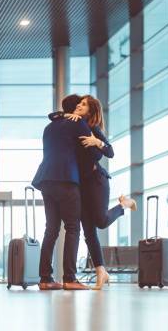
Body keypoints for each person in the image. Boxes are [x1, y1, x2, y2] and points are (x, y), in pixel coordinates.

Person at [49, 94, 137, 290]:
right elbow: (53, 116)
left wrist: (97, 142)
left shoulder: (93, 128)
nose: (80, 106)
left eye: (84, 105)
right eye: (79, 104)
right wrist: (65, 114)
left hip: (97, 181)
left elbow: (110, 152)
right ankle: (101, 271)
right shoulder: (72, 122)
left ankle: (124, 204)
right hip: (79, 185)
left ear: (91, 111)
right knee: (88, 231)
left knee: (101, 222)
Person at [31, 94, 102, 291]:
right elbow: (95, 154)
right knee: (73, 227)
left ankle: (45, 278)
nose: (81, 107)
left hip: (45, 179)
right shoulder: (77, 123)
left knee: (51, 229)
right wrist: (97, 142)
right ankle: (69, 278)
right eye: (79, 104)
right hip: (65, 179)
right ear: (74, 109)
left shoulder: (49, 127)